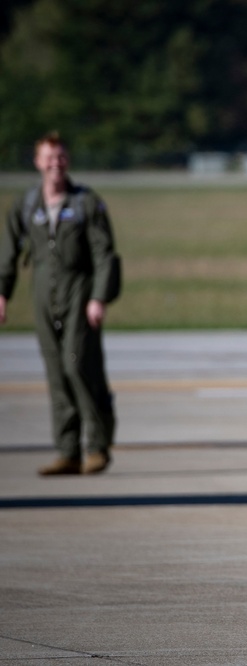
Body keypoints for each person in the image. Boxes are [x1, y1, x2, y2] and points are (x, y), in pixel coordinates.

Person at [0, 132, 119, 476]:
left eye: (61, 157)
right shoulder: (27, 205)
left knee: (77, 365)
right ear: (37, 162)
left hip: (79, 292)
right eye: (49, 157)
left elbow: (104, 254)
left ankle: (97, 444)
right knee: (55, 373)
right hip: (42, 295)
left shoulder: (85, 203)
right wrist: (3, 293)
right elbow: (8, 255)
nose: (56, 163)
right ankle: (67, 450)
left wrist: (99, 297)